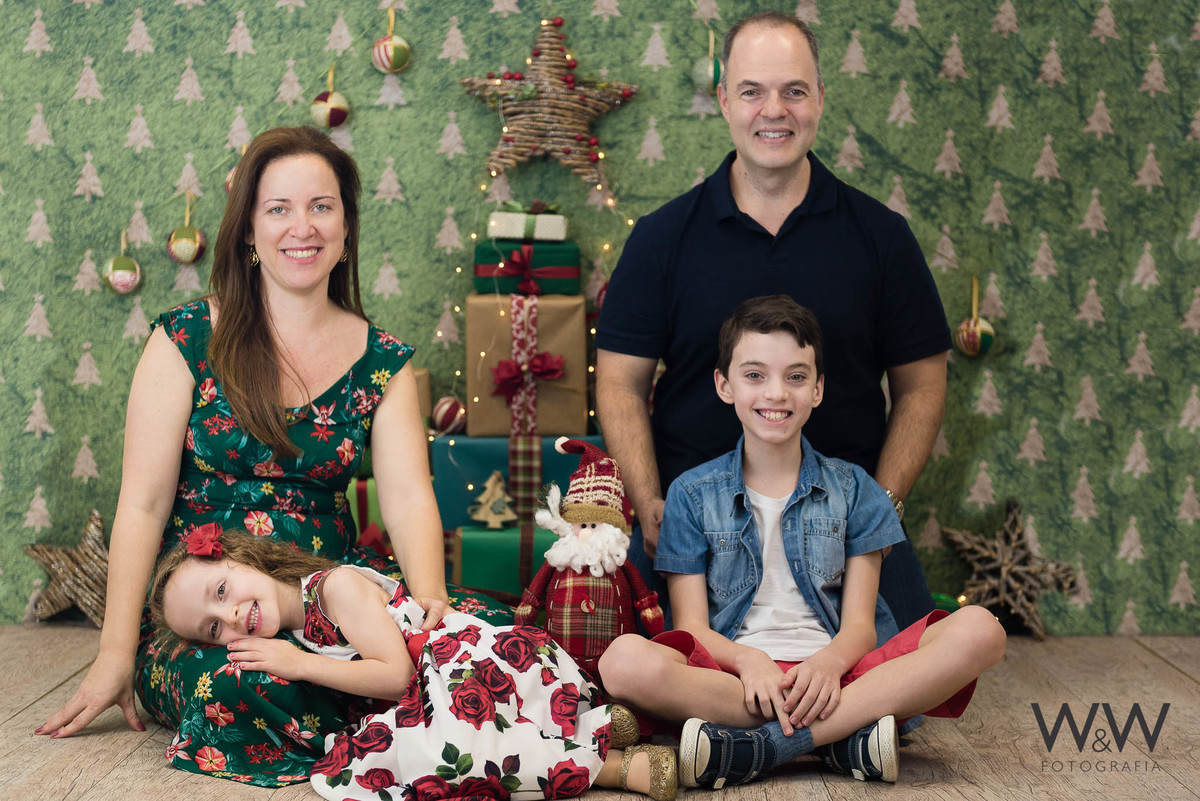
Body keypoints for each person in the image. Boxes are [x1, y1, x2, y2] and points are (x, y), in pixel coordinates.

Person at [35, 126, 506, 785]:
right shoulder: (185, 339)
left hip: (327, 596)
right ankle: (405, 713)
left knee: (490, 628)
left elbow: (406, 495)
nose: (302, 227)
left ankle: (447, 703)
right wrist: (116, 650)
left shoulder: (384, 364)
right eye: (277, 208)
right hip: (213, 622)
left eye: (322, 205)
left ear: (346, 225)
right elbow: (142, 504)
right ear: (249, 232)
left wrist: (430, 601)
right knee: (228, 690)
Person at [594, 11, 951, 630]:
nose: (773, 110)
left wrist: (880, 510)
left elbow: (922, 387)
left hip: (844, 531)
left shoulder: (882, 238)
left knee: (935, 657)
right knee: (630, 668)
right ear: (724, 100)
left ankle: (806, 713)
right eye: (753, 91)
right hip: (697, 531)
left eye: (794, 90)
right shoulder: (661, 239)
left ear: (820, 100)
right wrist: (650, 502)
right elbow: (620, 384)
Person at [598, 296, 1005, 788]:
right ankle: (846, 737)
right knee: (623, 662)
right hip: (734, 681)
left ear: (818, 388)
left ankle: (765, 746)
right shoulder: (690, 493)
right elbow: (693, 629)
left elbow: (860, 626)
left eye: (795, 376)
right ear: (724, 385)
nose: (776, 393)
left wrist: (828, 665)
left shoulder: (857, 489)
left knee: (982, 628)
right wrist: (750, 661)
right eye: (754, 375)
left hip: (842, 676)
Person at [148, 525, 679, 801]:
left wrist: (300, 666)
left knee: (449, 755)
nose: (232, 616)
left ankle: (612, 768)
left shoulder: (332, 588)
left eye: (222, 589)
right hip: (433, 685)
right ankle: (603, 727)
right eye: (212, 628)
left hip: (467, 662)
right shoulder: (294, 626)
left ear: (242, 559)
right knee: (391, 762)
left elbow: (394, 674)